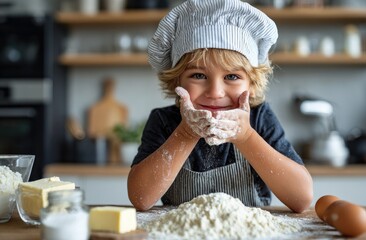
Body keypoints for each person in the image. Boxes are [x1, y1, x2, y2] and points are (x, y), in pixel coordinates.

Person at [128, 0, 313, 213]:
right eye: (198, 75)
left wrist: (246, 137)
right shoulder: (163, 121)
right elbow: (140, 198)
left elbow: (302, 199)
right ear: (177, 81)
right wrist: (186, 133)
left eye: (232, 76)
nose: (215, 92)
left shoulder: (260, 118)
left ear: (252, 85)